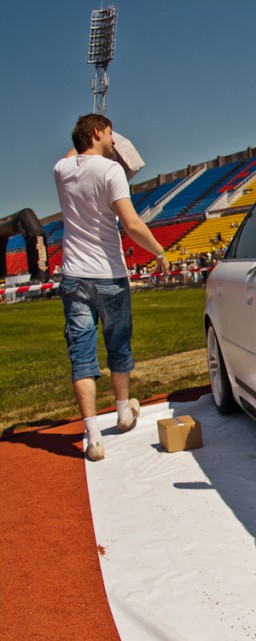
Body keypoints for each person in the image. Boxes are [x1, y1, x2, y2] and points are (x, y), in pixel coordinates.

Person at [54, 114, 170, 461]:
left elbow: (72, 154)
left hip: (74, 275)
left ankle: (92, 437)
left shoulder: (61, 170)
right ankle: (122, 411)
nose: (113, 140)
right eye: (108, 133)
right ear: (96, 133)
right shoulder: (111, 171)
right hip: (108, 274)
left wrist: (89, 135)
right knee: (118, 346)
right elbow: (131, 224)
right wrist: (159, 252)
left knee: (81, 356)